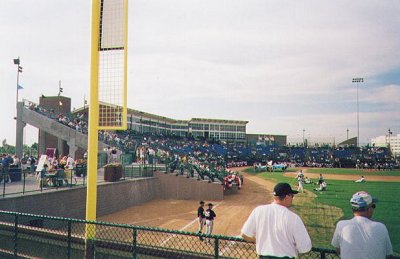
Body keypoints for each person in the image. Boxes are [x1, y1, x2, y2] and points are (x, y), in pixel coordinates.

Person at [241, 182, 312, 258]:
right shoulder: (294, 218)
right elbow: (305, 249)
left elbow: (244, 234)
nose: (292, 198)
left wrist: (258, 241)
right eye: (292, 196)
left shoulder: (258, 211)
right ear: (287, 197)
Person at [331, 191, 392, 259]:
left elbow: (338, 250)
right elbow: (388, 255)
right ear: (368, 209)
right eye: (373, 206)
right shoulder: (381, 227)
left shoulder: (341, 225)